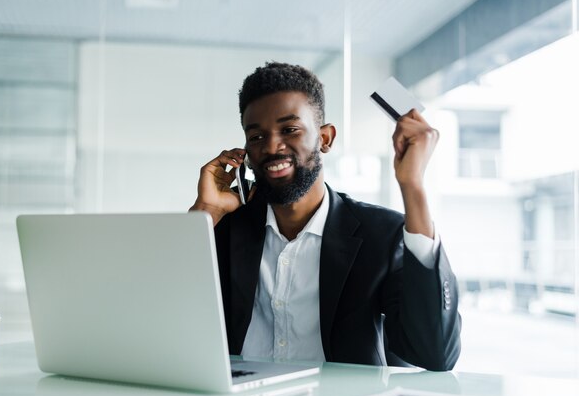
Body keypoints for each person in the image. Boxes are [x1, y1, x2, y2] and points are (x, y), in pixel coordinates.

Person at [190, 62, 461, 371]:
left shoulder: (381, 235)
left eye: (289, 129)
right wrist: (206, 214)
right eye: (256, 137)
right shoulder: (224, 228)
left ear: (325, 138)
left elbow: (435, 353)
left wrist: (412, 186)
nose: (272, 146)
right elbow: (165, 320)